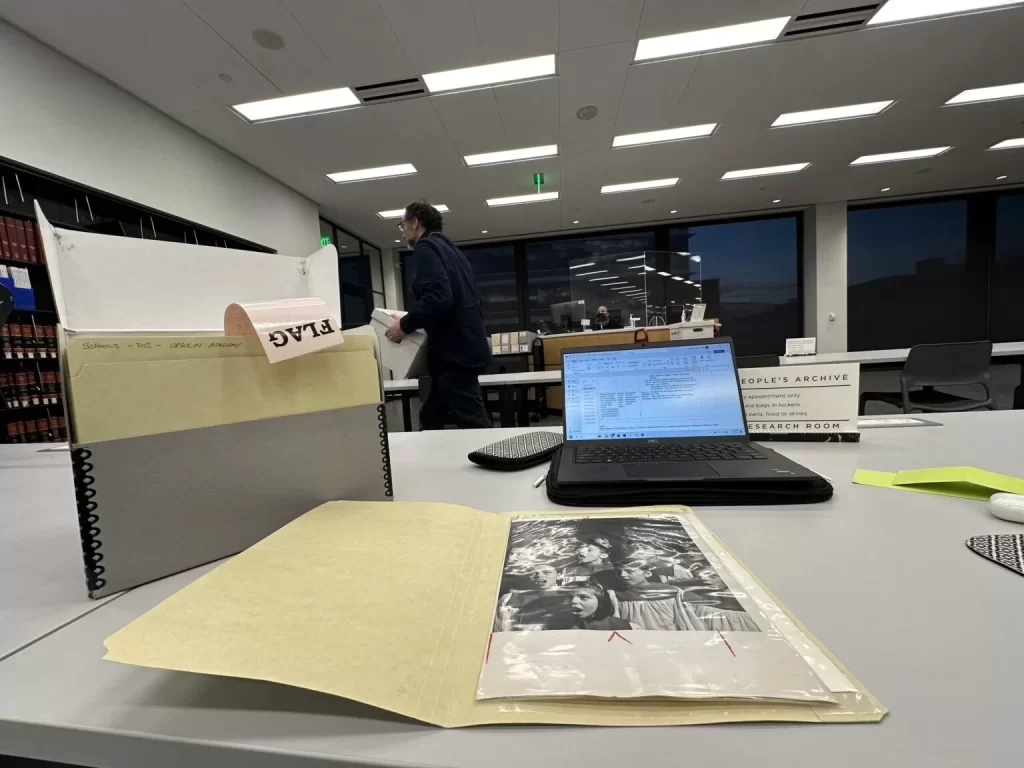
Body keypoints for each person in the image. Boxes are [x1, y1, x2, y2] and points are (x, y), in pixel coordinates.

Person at [385, 201, 491, 430]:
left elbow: (439, 297)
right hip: (461, 347)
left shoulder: (426, 248)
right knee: (432, 416)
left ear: (415, 222)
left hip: (455, 354)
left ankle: (495, 459)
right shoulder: (451, 250)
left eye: (403, 224)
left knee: (473, 422)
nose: (403, 232)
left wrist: (404, 325)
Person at [608, 558, 759, 632]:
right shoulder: (615, 596)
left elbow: (703, 612)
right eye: (619, 572)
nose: (622, 575)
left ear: (647, 573)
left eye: (629, 571)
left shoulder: (672, 592)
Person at [493, 563, 573, 631]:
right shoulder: (509, 599)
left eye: (546, 572)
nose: (539, 576)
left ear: (559, 575)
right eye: (533, 573)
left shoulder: (573, 598)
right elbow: (502, 630)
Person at [545, 584, 636, 631]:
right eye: (568, 597)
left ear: (600, 601)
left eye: (583, 597)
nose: (573, 601)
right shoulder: (553, 627)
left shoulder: (627, 627)